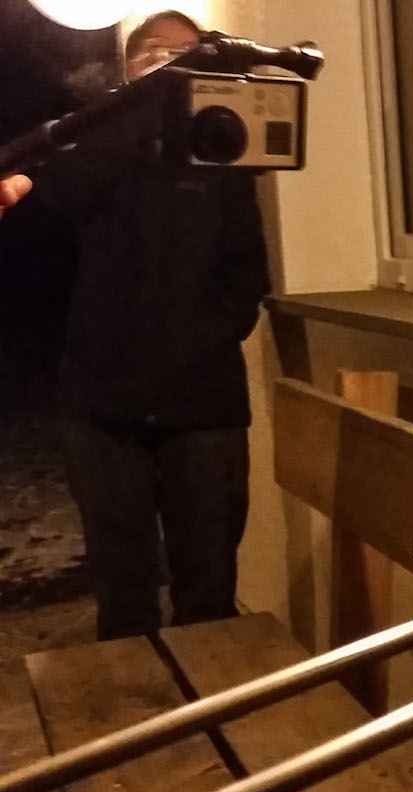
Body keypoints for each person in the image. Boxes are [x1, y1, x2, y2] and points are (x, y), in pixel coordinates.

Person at [34, 11, 270, 640]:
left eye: (186, 53)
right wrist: (137, 113)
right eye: (154, 50)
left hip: (204, 402)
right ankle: (137, 698)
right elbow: (63, 193)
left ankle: (216, 697)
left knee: (210, 584)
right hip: (99, 404)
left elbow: (248, 273)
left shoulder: (222, 146)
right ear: (127, 64)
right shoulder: (98, 136)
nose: (169, 62)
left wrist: (202, 342)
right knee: (123, 590)